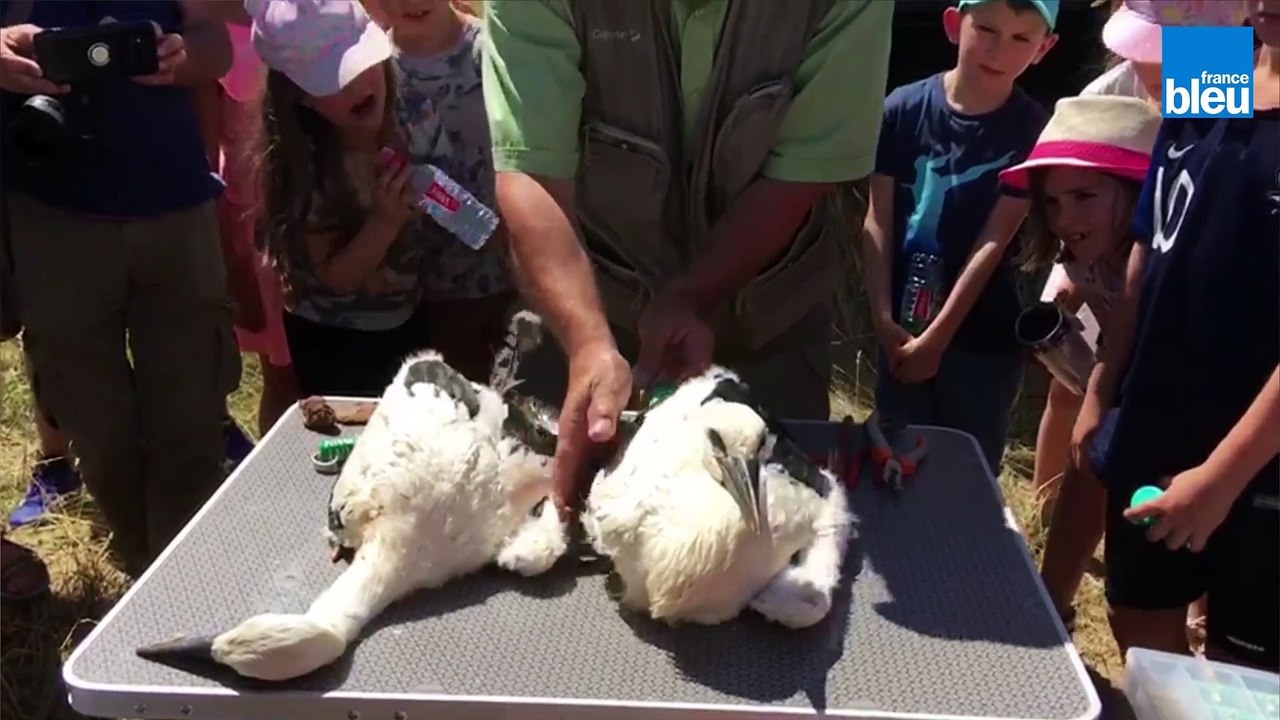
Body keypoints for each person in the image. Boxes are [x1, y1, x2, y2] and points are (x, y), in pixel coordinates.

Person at [481, 0, 893, 515]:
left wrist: (690, 297)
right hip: (585, 309)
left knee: (767, 530)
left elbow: (801, 175)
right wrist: (587, 340)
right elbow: (532, 175)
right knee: (538, 520)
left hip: (767, 324)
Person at [1, 1, 240, 573]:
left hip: (173, 201)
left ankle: (181, 576)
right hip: (52, 212)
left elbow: (215, 43)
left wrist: (184, 57)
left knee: (189, 420)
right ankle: (142, 565)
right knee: (97, 429)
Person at [1077, 0, 1278, 669]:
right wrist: (1102, 384)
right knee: (1136, 621)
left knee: (1245, 670)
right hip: (1157, 418)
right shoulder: (1214, 67)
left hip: (1261, 457)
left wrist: (1220, 480)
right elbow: (1150, 239)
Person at [862, 0, 1058, 473]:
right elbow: (877, 219)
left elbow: (994, 240)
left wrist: (938, 339)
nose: (999, 50)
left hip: (979, 339)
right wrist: (882, 317)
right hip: (903, 326)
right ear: (954, 24)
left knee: (964, 468)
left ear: (1044, 48)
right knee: (894, 459)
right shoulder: (902, 109)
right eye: (986, 29)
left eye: (1021, 38)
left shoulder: (1034, 130)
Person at [993, 94, 1161, 630]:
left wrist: (1098, 396)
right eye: (1051, 203)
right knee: (1085, 474)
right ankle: (1050, 611)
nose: (1065, 219)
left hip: (1182, 407)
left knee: (1142, 598)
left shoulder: (1160, 259)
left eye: (1084, 197)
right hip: (1128, 393)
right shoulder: (1087, 254)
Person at [249, 0, 431, 399]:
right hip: (338, 342)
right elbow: (338, 278)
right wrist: (384, 223)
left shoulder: (406, 122)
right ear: (300, 98)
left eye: (363, 63)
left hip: (407, 319)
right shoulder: (307, 169)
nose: (356, 84)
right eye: (333, 79)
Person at [372, 0, 518, 384]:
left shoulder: (499, 51)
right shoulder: (374, 72)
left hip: (521, 274)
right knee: (462, 400)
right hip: (436, 290)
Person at [196, 19, 300, 438]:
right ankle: (279, 468)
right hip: (260, 232)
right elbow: (207, 156)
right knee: (284, 376)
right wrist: (228, 257)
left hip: (326, 216)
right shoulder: (212, 27)